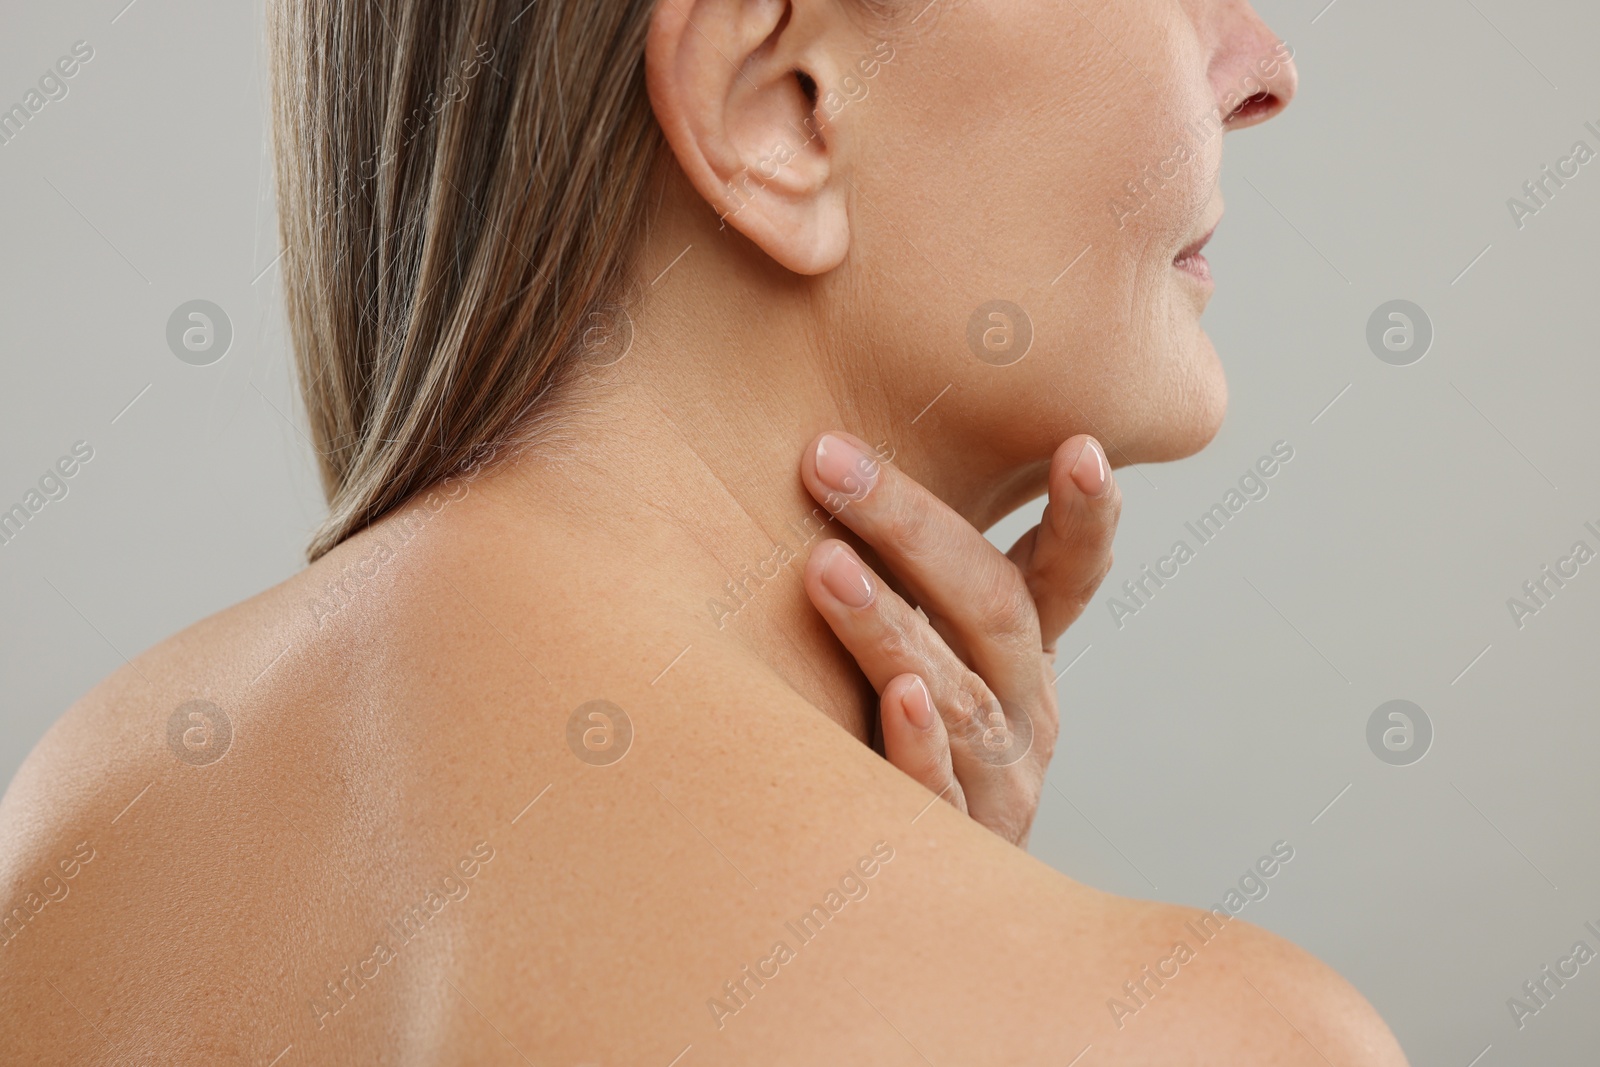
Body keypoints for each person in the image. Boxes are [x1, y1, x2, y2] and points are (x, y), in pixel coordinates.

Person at [0, 0, 1409, 1062]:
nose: (1264, 67)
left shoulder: (77, 820)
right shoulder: (1216, 1041)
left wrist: (931, 904)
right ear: (778, 107)